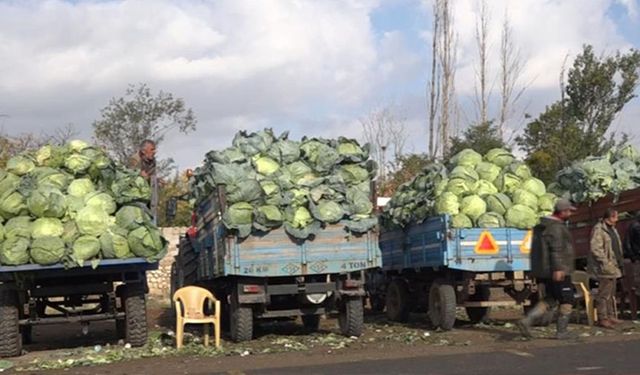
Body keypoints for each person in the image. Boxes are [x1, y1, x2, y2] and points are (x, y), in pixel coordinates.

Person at [517, 198, 576, 340]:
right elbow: (556, 250)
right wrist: (558, 269)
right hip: (559, 270)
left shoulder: (540, 227)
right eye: (569, 211)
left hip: (544, 270)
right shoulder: (555, 228)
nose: (570, 214)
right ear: (562, 212)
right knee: (567, 299)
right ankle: (562, 331)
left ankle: (527, 321)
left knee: (550, 298)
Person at [588, 208, 623, 328]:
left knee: (611, 292)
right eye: (615, 217)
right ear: (610, 217)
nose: (617, 219)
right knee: (604, 293)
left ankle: (610, 315)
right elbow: (596, 248)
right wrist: (605, 262)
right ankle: (603, 317)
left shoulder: (612, 229)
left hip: (614, 265)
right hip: (604, 267)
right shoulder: (599, 230)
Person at [135, 139, 159, 224]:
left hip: (151, 202)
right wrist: (138, 174)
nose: (155, 152)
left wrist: (157, 180)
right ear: (144, 151)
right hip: (138, 205)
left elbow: (151, 177)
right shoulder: (135, 161)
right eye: (152, 149)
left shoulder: (152, 161)